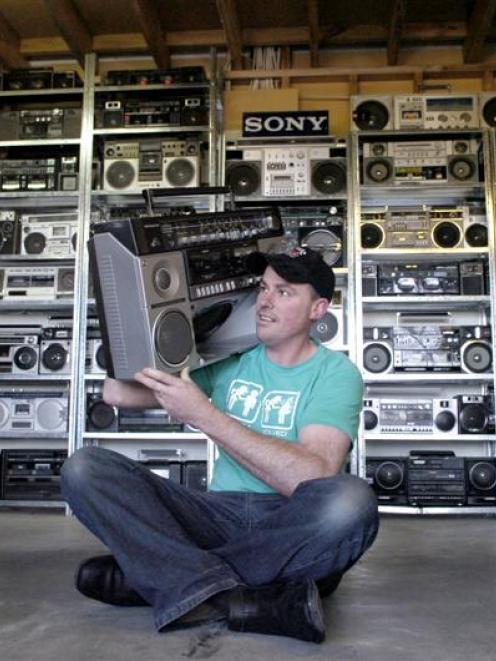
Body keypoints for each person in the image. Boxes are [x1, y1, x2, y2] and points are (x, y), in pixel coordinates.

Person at [61, 247, 379, 644]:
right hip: (216, 515)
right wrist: (126, 316)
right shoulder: (232, 356)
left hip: (289, 525)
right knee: (84, 468)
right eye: (263, 287)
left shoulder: (336, 374)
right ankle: (243, 599)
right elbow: (118, 394)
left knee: (350, 501)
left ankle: (166, 579)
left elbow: (310, 476)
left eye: (284, 292)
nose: (264, 300)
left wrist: (204, 415)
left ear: (318, 309)